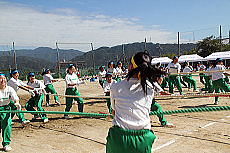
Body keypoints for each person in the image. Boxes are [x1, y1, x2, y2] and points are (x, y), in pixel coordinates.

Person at [106, 52, 166, 153]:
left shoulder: (116, 87)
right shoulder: (150, 88)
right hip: (143, 138)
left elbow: (114, 111)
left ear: (130, 66)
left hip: (119, 138)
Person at [0, 73, 21, 152]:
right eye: (1, 79)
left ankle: (6, 143)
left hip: (6, 109)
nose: (3, 80)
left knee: (7, 124)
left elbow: (15, 97)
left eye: (4, 78)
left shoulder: (9, 89)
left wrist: (17, 103)